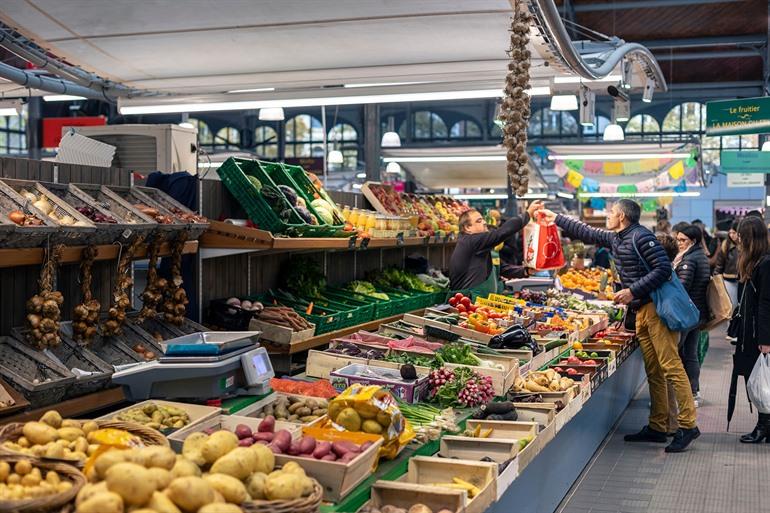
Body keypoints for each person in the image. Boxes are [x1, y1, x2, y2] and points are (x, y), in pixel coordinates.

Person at [539, 199, 699, 452]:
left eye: (611, 212)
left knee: (671, 367)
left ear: (622, 216)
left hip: (656, 310)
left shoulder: (642, 238)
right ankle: (658, 426)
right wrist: (555, 218)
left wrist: (631, 290)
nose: (608, 216)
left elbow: (663, 270)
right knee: (654, 370)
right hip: (641, 311)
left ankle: (688, 425)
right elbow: (588, 233)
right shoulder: (618, 238)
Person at [449, 201, 543, 294]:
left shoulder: (480, 247)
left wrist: (526, 271)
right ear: (467, 228)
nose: (484, 222)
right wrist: (527, 215)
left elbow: (502, 268)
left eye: (483, 219)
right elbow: (501, 233)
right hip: (466, 302)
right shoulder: (470, 242)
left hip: (479, 303)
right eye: (479, 221)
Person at [732, 216, 770, 443]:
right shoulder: (754, 262)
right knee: (755, 378)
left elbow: (766, 303)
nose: (738, 240)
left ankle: (763, 426)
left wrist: (766, 339)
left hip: (759, 333)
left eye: (741, 236)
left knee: (761, 380)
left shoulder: (765, 264)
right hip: (750, 331)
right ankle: (764, 424)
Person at [674, 224, 711, 407]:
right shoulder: (700, 255)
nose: (679, 243)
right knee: (691, 354)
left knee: (676, 355)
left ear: (693, 241)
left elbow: (682, 286)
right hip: (698, 313)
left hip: (687, 314)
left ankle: (679, 398)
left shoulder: (689, 259)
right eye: (678, 239)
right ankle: (693, 393)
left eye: (683, 240)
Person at [714, 220, 740, 310]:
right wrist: (716, 279)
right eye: (730, 232)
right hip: (728, 280)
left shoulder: (746, 245)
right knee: (730, 307)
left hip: (742, 281)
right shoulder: (726, 244)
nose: (732, 235)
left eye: (734, 232)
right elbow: (719, 264)